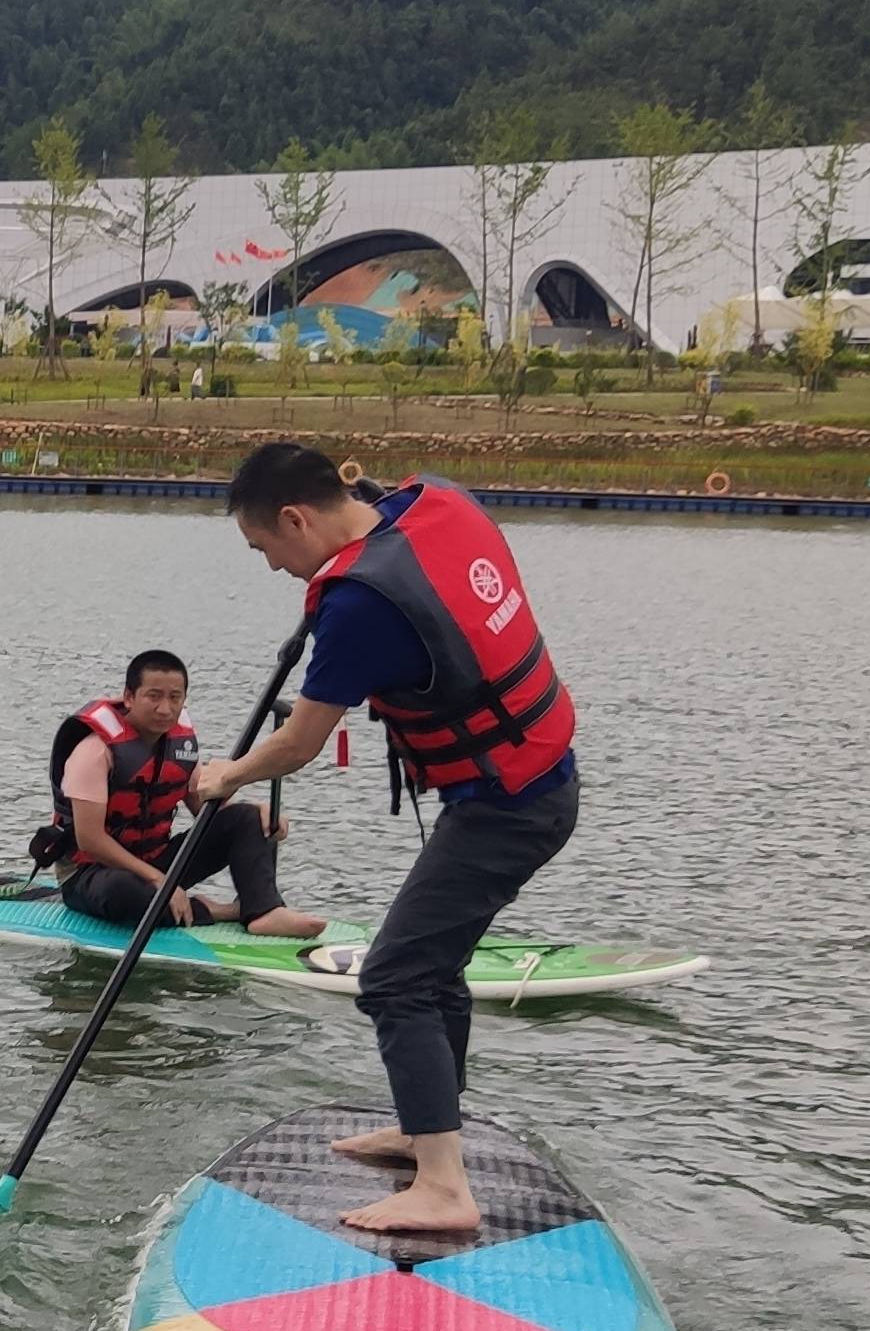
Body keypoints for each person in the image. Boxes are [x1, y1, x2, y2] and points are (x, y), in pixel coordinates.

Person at [190, 443, 579, 1236]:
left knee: (396, 976)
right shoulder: (437, 500)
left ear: (296, 518)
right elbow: (373, 493)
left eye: (265, 548)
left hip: (508, 805)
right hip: (534, 781)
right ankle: (427, 1127)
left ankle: (442, 1187)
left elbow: (298, 745)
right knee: (433, 967)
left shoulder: (359, 604)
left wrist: (225, 776)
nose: (270, 567)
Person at [40, 648, 324, 939]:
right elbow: (90, 840)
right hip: (91, 873)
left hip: (154, 860)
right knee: (123, 892)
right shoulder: (93, 751)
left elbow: (208, 809)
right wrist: (159, 881)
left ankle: (263, 910)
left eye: (174, 698)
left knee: (249, 818)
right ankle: (215, 911)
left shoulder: (179, 746)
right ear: (129, 697)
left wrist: (261, 817)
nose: (165, 709)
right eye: (153, 696)